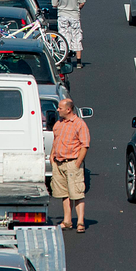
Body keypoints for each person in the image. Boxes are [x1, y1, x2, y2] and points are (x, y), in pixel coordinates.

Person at [50, 98, 90, 232]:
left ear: (68, 109)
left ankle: (80, 222)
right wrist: (52, 156)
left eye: (60, 108)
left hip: (72, 162)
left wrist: (78, 163)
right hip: (59, 163)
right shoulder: (58, 124)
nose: (57, 110)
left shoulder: (79, 124)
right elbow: (56, 141)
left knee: (77, 193)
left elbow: (85, 145)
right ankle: (67, 220)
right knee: (64, 193)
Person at [53, 0, 85, 68]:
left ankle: (65, 59)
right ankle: (78, 61)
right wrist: (77, 8)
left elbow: (54, 4)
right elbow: (82, 2)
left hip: (63, 15)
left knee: (63, 36)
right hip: (74, 15)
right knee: (76, 36)